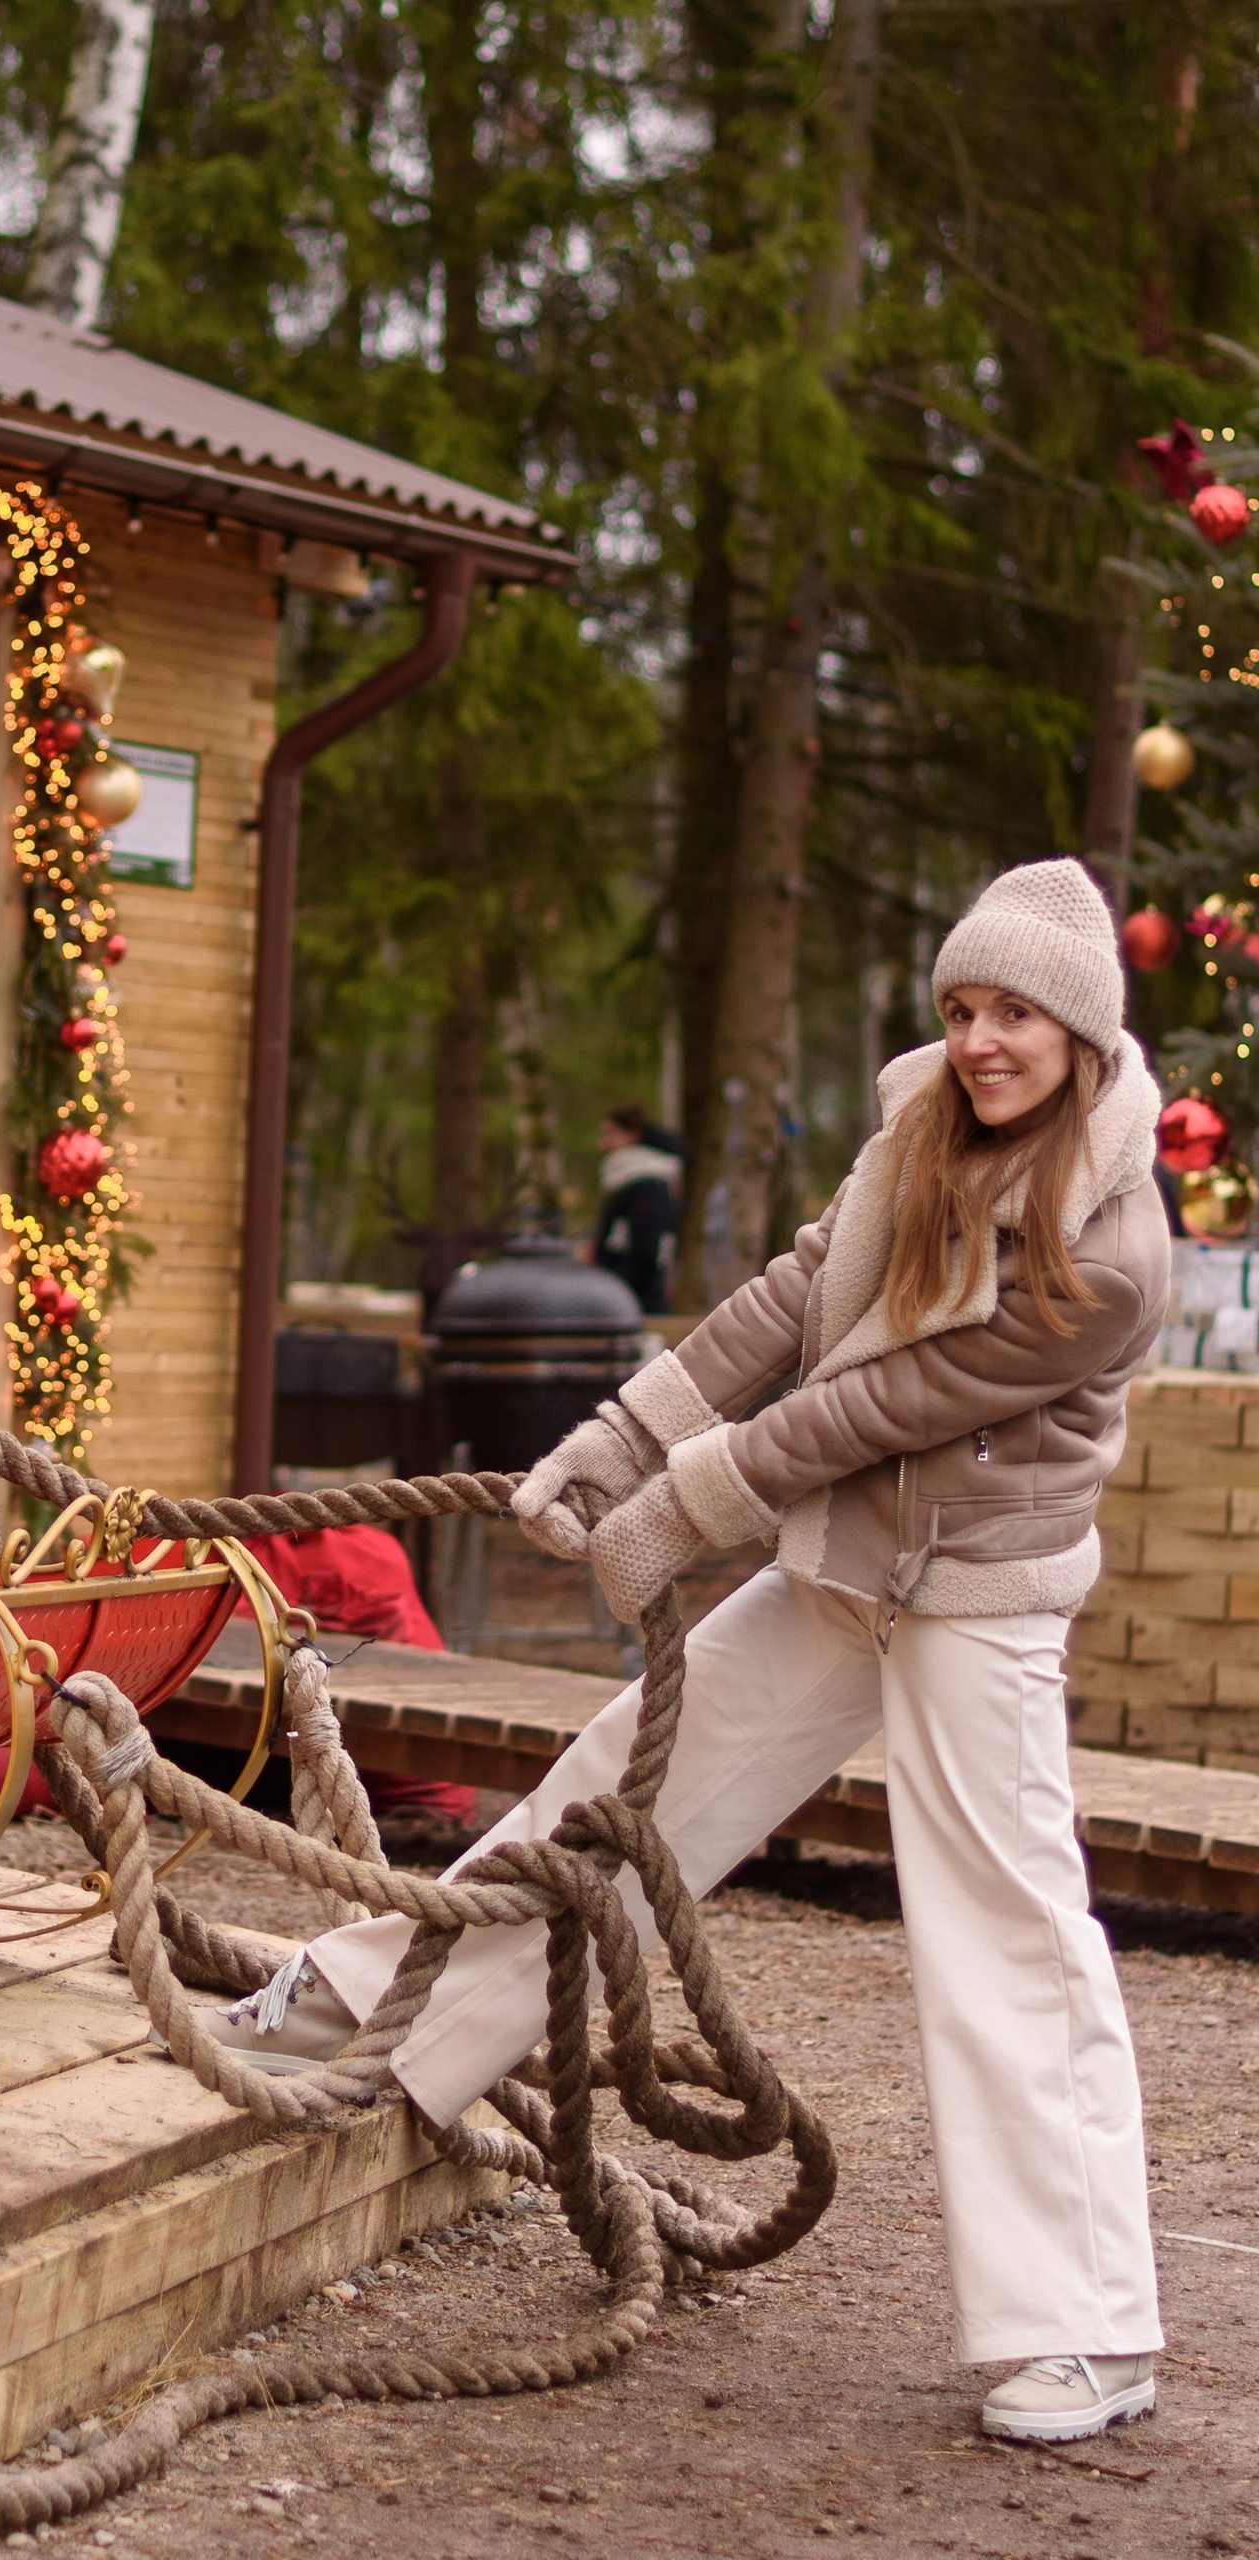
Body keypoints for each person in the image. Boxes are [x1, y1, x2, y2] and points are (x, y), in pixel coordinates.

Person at [204, 860, 1169, 2448]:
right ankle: (363, 2013)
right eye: (965, 1007)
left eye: (1017, 1014)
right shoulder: (922, 1125)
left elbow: (885, 1402)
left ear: (1079, 1026)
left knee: (1005, 1931)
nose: (985, 1040)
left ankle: (1091, 2330)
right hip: (852, 1567)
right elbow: (794, 1303)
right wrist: (617, 1433)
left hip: (974, 1600)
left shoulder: (1111, 1247)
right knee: (612, 1801)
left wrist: (687, 1505)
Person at [590, 1100, 682, 1313]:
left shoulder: (644, 1185)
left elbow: (645, 1249)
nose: (602, 1144)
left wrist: (615, 1287)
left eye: (609, 1134)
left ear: (632, 1135)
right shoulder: (630, 1182)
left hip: (636, 1300)